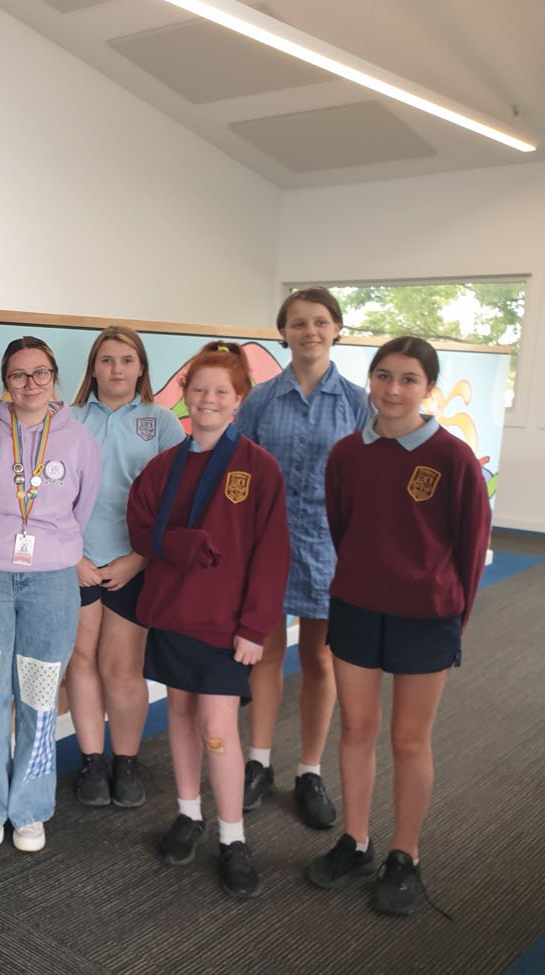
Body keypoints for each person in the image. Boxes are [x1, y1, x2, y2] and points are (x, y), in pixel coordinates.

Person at [305, 336, 490, 916]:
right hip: (357, 606)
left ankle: (404, 855)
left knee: (409, 739)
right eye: (382, 375)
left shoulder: (453, 457)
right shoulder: (346, 454)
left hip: (426, 616)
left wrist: (453, 617)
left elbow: (470, 546)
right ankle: (355, 841)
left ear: (427, 388)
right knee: (356, 728)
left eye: (408, 378)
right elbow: (343, 526)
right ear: (370, 380)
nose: (392, 389)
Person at [126, 341, 289, 900]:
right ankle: (189, 813)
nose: (208, 400)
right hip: (174, 613)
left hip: (227, 625)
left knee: (219, 729)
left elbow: (272, 552)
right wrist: (183, 544)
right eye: (199, 390)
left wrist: (256, 626)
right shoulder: (165, 466)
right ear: (185, 397)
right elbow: (140, 530)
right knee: (178, 711)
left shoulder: (258, 468)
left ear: (239, 399)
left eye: (221, 391)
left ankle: (233, 837)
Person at [0, 337, 100, 852]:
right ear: (4, 382)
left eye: (40, 374)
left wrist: (48, 549)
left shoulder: (79, 439)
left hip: (52, 584)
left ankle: (30, 807)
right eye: (18, 375)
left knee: (37, 697)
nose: (30, 384)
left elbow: (82, 509)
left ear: (55, 377)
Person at [237, 287, 370, 828]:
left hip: (332, 548)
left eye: (319, 321)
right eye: (297, 323)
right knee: (263, 656)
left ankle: (309, 770)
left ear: (337, 328)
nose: (309, 331)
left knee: (320, 660)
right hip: (268, 546)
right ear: (283, 332)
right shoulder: (261, 400)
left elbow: (371, 479)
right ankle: (259, 761)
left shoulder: (360, 402)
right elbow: (238, 474)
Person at [67, 326, 184, 808]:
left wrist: (137, 560)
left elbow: (176, 504)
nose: (116, 369)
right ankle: (92, 761)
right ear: (93, 367)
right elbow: (47, 495)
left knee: (121, 669)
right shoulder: (66, 419)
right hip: (74, 563)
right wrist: (72, 556)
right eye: (107, 359)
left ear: (141, 368)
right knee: (81, 660)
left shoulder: (161, 422)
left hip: (132, 564)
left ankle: (126, 761)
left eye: (127, 360)